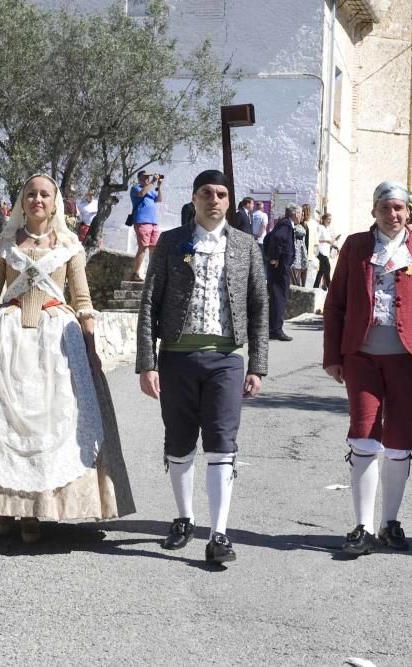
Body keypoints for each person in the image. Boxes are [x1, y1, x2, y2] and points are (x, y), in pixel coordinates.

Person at [0, 174, 135, 543]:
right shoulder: (4, 245)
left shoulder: (70, 247)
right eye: (31, 194)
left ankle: (36, 510)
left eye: (45, 195)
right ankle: (4, 506)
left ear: (55, 203)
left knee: (50, 425)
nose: (37, 200)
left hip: (56, 345)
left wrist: (91, 348)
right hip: (6, 339)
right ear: (23, 201)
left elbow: (82, 302)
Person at [323, 180, 412, 556]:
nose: (393, 215)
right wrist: (332, 356)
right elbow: (335, 304)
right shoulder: (356, 246)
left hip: (407, 357)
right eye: (386, 208)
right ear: (374, 211)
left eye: (399, 208)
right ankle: (362, 527)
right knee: (364, 432)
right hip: (362, 356)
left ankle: (390, 522)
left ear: (408, 213)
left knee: (400, 434)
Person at [137, 169, 268, 565]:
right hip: (176, 357)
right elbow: (148, 305)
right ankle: (184, 519)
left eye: (222, 194)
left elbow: (260, 306)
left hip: (227, 359)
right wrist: (147, 362)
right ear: (194, 199)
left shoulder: (246, 246)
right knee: (178, 441)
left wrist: (257, 365)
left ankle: (219, 533)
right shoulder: (172, 243)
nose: (215, 200)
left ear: (230, 201)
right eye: (207, 193)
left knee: (221, 443)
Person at [264, 203, 298, 341]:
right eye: (300, 213)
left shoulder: (284, 223)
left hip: (280, 265)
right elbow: (277, 238)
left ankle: (272, 328)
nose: (302, 216)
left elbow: (268, 238)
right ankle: (276, 330)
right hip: (280, 266)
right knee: (279, 297)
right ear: (295, 213)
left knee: (276, 296)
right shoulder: (286, 224)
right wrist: (275, 257)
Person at [129, 170, 163, 281]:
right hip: (142, 222)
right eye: (144, 177)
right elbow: (142, 194)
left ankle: (151, 274)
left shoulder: (151, 190)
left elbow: (159, 199)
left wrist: (159, 186)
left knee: (154, 249)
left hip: (153, 223)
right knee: (142, 248)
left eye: (148, 177)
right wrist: (153, 182)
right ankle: (135, 273)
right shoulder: (136, 188)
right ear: (139, 178)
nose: (147, 179)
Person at [314, 212, 340, 290]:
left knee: (322, 270)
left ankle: (315, 286)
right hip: (320, 251)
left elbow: (331, 240)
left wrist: (334, 241)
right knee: (328, 267)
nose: (329, 221)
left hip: (326, 252)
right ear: (324, 219)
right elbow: (317, 239)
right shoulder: (320, 227)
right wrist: (326, 241)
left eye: (330, 219)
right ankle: (330, 286)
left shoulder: (329, 229)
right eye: (328, 219)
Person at [290, 206, 310, 287]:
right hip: (296, 252)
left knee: (303, 270)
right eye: (302, 215)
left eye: (304, 215)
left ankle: (302, 287)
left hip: (302, 252)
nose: (303, 217)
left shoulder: (303, 225)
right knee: (295, 275)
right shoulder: (293, 225)